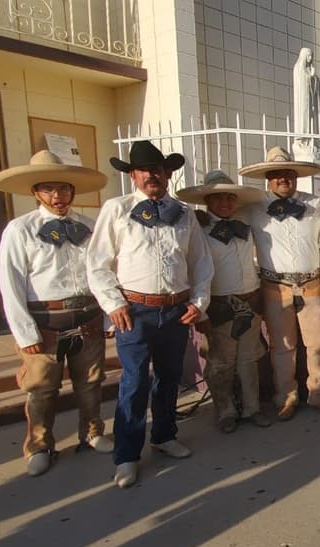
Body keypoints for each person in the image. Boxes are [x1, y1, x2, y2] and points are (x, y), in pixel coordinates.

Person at [86, 140, 214, 489]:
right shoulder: (116, 209)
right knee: (134, 382)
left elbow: (200, 261)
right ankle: (127, 455)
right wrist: (113, 304)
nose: (151, 175)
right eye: (143, 170)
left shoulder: (184, 213)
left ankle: (164, 435)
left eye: (157, 169)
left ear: (167, 173)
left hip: (175, 309)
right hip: (134, 310)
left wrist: (198, 301)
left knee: (170, 376)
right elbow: (97, 263)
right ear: (133, 175)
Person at [0, 150, 113, 477]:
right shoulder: (20, 230)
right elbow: (10, 283)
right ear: (35, 192)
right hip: (45, 320)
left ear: (73, 191)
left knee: (90, 382)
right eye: (48, 189)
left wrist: (107, 316)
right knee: (42, 387)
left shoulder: (88, 226)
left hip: (86, 316)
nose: (57, 196)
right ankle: (39, 444)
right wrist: (24, 332)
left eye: (63, 188)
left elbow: (102, 272)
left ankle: (92, 432)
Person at [238, 146, 320, 419]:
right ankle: (286, 397)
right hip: (274, 286)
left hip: (312, 283)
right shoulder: (253, 209)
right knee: (283, 346)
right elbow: (227, 227)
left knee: (318, 343)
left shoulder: (316, 205)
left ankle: (318, 394)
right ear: (268, 178)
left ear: (296, 176)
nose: (283, 180)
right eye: (277, 175)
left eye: (288, 174)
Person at [175, 170, 271, 434]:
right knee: (221, 362)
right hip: (218, 305)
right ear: (207, 201)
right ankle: (225, 410)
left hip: (249, 300)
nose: (225, 204)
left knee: (248, 359)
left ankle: (252, 408)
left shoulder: (245, 225)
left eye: (230, 198)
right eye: (219, 199)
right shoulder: (198, 229)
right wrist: (201, 312)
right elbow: (194, 271)